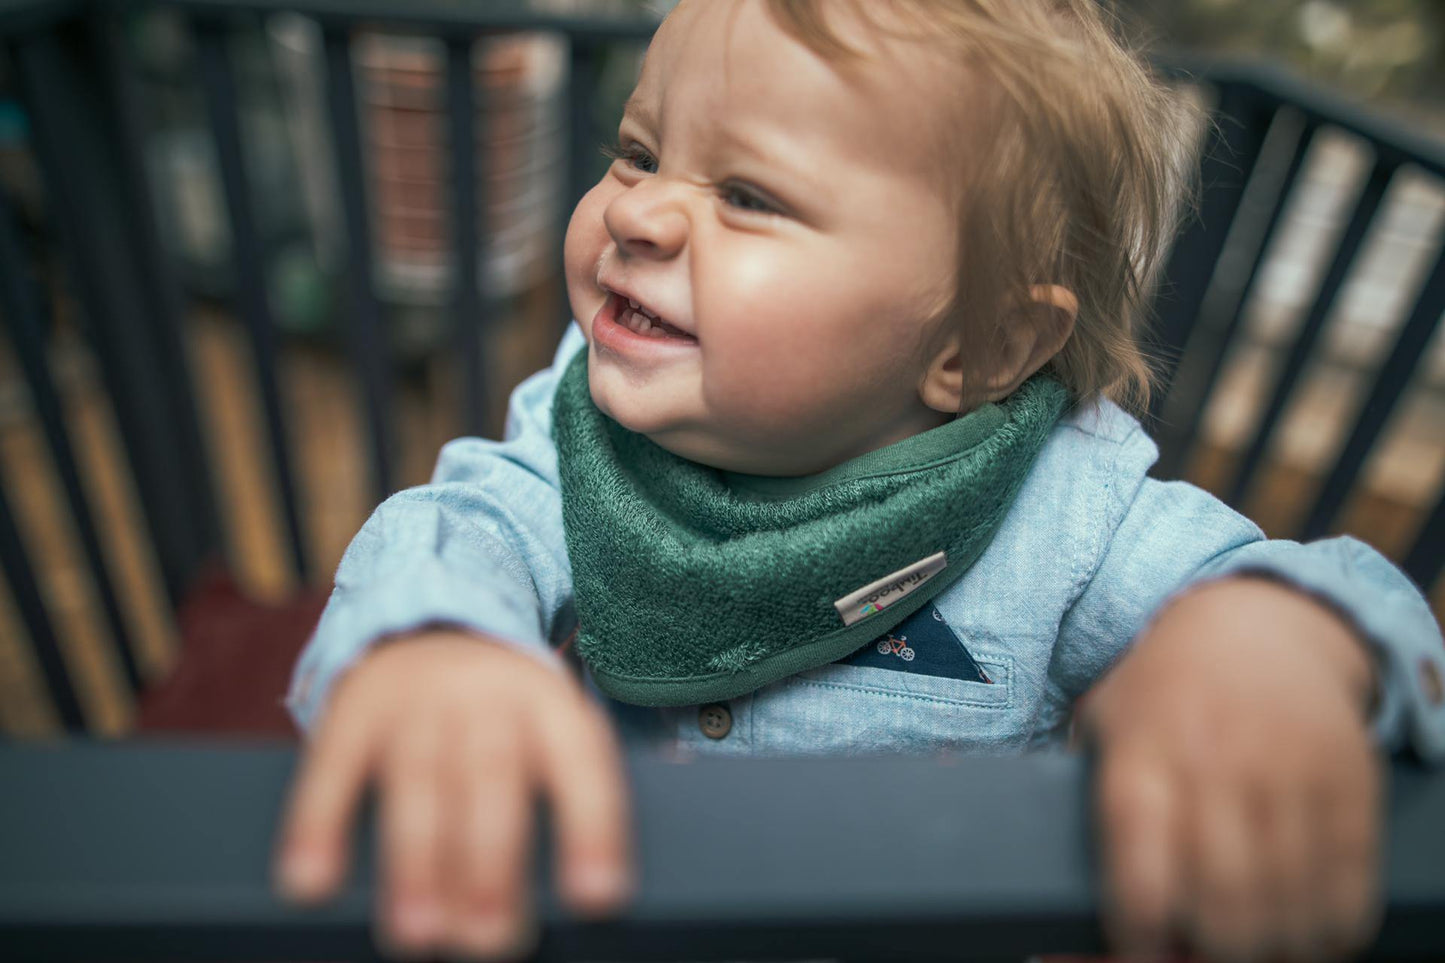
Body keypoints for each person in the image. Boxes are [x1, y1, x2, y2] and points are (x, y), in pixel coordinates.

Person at [271, 1, 1445, 960]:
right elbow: (470, 518)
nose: (639, 210)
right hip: (605, 914)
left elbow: (1330, 591)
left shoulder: (1064, 518)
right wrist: (435, 643)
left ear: (976, 349)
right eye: (638, 151)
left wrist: (1267, 645)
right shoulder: (587, 421)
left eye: (748, 196)